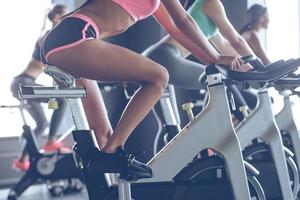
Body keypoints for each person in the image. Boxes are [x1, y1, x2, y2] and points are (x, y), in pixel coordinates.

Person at [40, 0, 245, 171]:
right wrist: (215, 56)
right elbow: (184, 19)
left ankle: (112, 188)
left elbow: (174, 27)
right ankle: (111, 153)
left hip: (64, 41)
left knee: (104, 134)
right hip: (75, 37)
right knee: (158, 77)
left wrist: (211, 60)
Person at [143, 0, 260, 123]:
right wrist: (258, 67)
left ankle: (207, 128)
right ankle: (210, 127)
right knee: (219, 81)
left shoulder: (203, 6)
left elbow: (224, 46)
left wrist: (250, 68)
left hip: (159, 55)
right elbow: (236, 40)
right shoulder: (211, 3)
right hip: (165, 56)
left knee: (170, 125)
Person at [10, 4, 68, 171]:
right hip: (23, 82)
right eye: (65, 15)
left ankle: (21, 160)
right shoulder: (49, 35)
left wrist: (53, 100)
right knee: (60, 100)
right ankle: (50, 142)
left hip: (22, 84)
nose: (68, 18)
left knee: (42, 124)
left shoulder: (49, 35)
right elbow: (52, 64)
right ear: (57, 17)